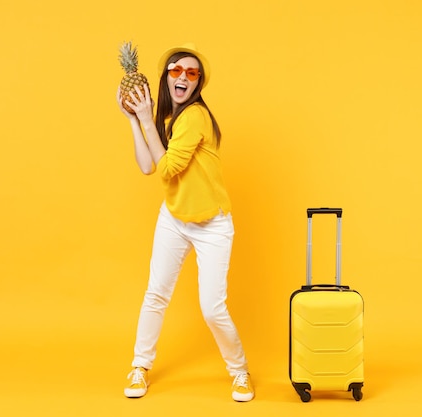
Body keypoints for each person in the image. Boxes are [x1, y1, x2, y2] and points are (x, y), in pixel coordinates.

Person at [116, 43, 254, 402]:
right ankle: (139, 365)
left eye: (191, 73)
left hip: (212, 224)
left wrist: (145, 119)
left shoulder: (195, 117)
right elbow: (147, 166)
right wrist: (134, 119)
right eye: (176, 71)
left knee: (212, 308)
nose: (183, 77)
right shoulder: (168, 121)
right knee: (156, 294)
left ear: (198, 83)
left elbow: (167, 167)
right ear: (165, 78)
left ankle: (239, 371)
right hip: (175, 217)